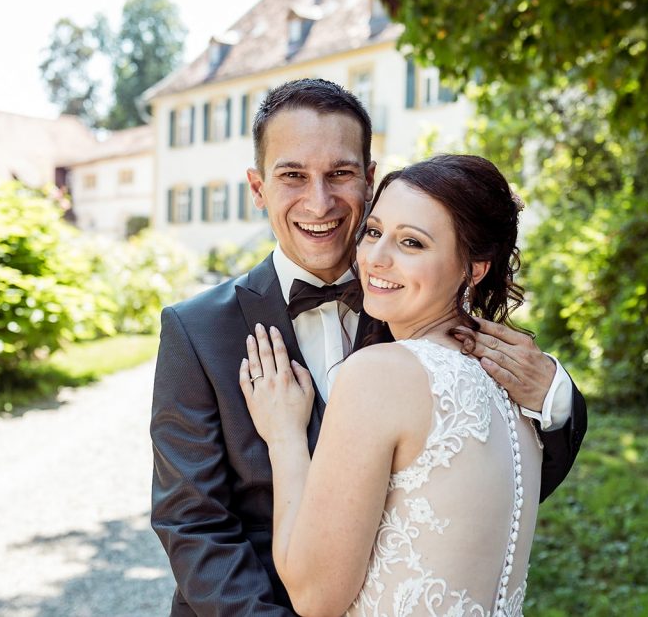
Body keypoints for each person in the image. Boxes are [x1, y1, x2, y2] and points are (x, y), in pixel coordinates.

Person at [150, 79, 586, 616]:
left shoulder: (428, 313)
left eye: (340, 174)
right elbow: (193, 523)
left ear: (370, 179)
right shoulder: (195, 331)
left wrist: (555, 398)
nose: (319, 201)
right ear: (258, 188)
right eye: (292, 176)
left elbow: (484, 496)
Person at [241, 154, 542, 616]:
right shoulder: (514, 383)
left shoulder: (380, 373)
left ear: (474, 268)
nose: (376, 259)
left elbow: (315, 597)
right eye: (375, 232)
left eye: (412, 243)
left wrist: (283, 435)